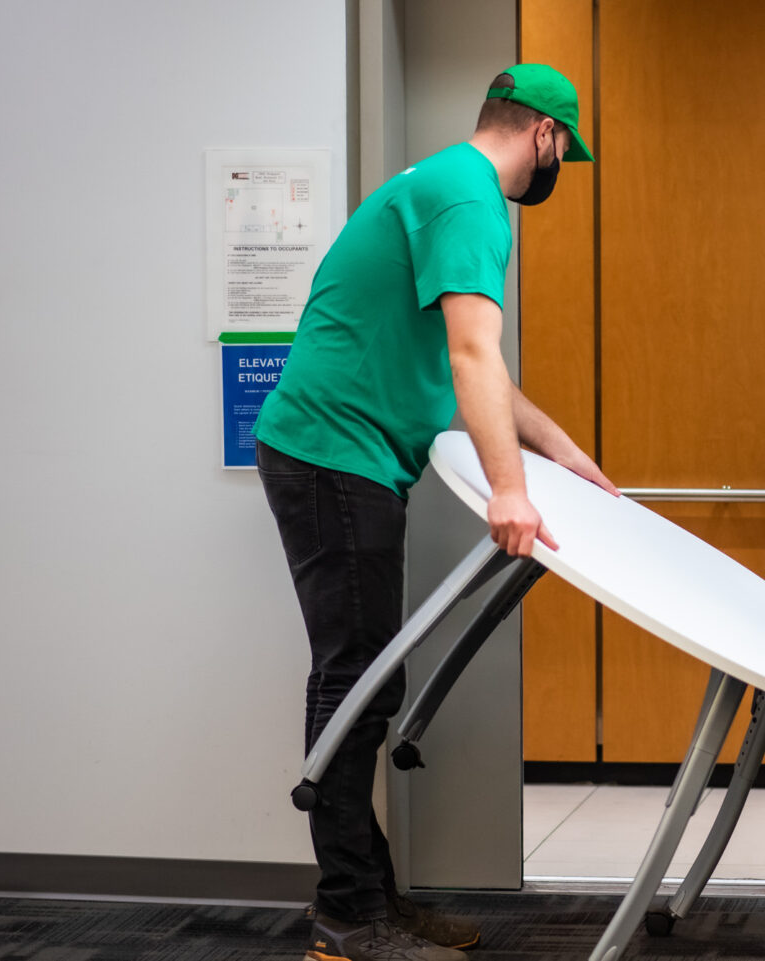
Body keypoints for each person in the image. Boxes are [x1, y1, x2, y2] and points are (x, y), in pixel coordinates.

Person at [253, 64, 618, 961]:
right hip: (333, 452)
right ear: (541, 132)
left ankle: (369, 896)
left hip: (343, 453)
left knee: (370, 679)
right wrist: (509, 489)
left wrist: (558, 449)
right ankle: (347, 915)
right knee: (355, 683)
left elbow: (481, 368)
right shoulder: (471, 201)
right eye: (563, 145)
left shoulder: (444, 183)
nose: (560, 160)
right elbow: (472, 354)